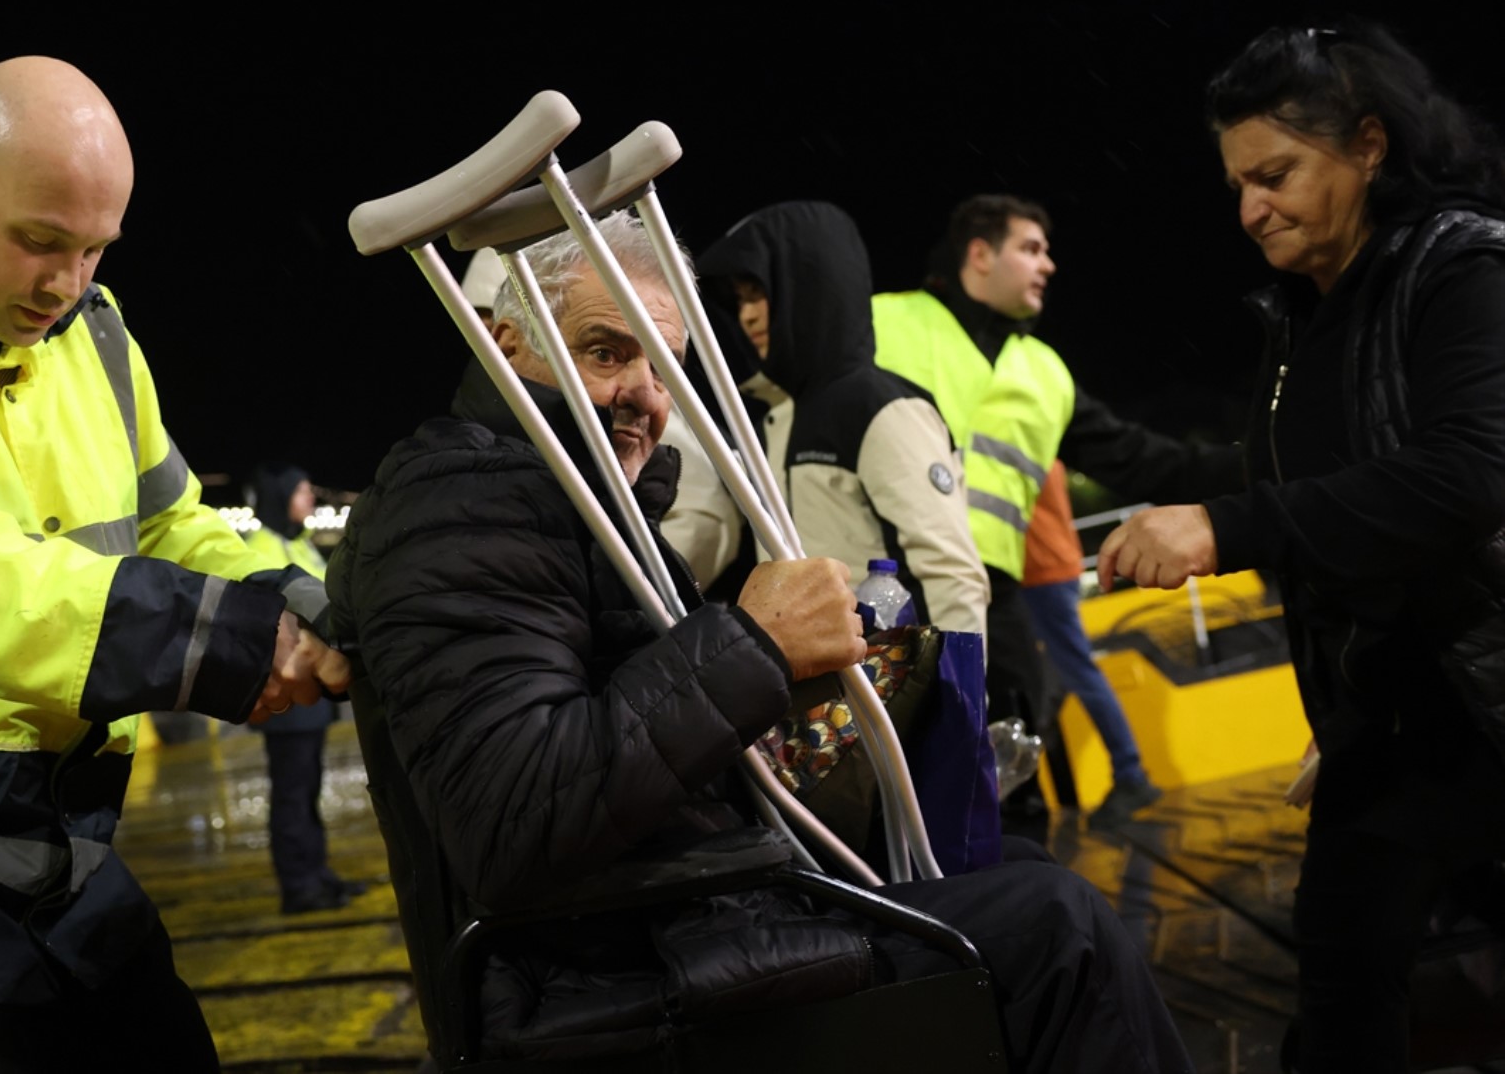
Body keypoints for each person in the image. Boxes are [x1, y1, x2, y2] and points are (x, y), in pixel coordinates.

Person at [329, 210, 1194, 1072]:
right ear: (508, 346)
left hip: (673, 913)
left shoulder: (566, 499)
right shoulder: (466, 506)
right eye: (605, 351)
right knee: (1057, 924)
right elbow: (514, 817)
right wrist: (752, 643)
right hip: (620, 964)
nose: (644, 391)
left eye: (663, 364)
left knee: (1018, 866)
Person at [0, 57, 350, 1072]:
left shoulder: (94, 333)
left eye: (96, 249)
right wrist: (219, 642)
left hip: (70, 849)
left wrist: (305, 604)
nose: (67, 284)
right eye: (40, 242)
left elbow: (171, 521)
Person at [1096, 23, 1505, 1074]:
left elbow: (1465, 476)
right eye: (1236, 184)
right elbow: (1320, 497)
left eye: (1273, 174)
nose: (1247, 210)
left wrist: (1225, 527)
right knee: (1338, 973)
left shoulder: (1464, 268)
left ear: (1366, 143)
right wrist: (1344, 702)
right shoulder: (1300, 316)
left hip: (1482, 700)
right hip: (1388, 716)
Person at [872, 196, 1241, 833]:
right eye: (1031, 248)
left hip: (999, 596)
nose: (1048, 265)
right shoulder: (884, 320)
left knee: (1012, 772)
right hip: (890, 590)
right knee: (899, 781)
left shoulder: (1047, 373)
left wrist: (1270, 459)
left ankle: (1020, 906)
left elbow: (1147, 462)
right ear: (980, 253)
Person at [686, 200, 989, 635]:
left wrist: (958, 698)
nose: (747, 314)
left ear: (807, 286)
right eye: (739, 300)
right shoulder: (778, 415)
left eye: (760, 292)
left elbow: (951, 573)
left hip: (889, 685)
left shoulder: (879, 405)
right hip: (821, 688)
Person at [243, 463, 366, 914]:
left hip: (309, 695)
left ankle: (318, 874)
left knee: (307, 790)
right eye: (301, 491)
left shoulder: (297, 545)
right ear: (280, 496)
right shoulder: (261, 549)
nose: (310, 498)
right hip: (287, 694)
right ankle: (299, 886)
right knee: (292, 794)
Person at [1022, 461, 1162, 826]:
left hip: (1040, 574)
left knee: (1078, 672)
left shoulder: (1008, 448)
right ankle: (1127, 773)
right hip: (1052, 569)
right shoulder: (1042, 451)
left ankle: (1131, 773)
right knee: (1067, 673)